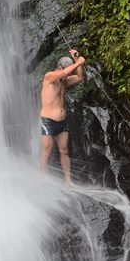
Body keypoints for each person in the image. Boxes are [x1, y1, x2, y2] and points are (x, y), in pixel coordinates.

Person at [40, 48, 85, 186]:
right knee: (47, 151)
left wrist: (78, 61)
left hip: (62, 122)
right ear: (59, 68)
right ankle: (42, 181)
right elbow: (65, 72)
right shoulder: (49, 77)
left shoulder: (64, 81)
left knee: (64, 150)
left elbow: (79, 77)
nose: (66, 76)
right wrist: (80, 61)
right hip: (48, 121)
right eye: (65, 72)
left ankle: (68, 181)